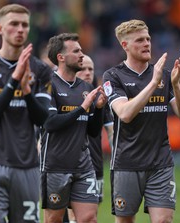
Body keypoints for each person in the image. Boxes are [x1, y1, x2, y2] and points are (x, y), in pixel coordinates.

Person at [102, 19, 180, 223]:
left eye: (148, 39)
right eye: (140, 40)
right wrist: (153, 83)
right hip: (126, 163)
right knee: (125, 221)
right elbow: (124, 114)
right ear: (125, 45)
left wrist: (176, 86)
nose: (147, 44)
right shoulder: (113, 76)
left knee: (163, 220)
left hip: (160, 162)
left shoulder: (164, 75)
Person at [0, 4, 52, 222]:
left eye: (24, 25)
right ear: (0, 29)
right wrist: (15, 79)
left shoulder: (41, 70)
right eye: (13, 24)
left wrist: (26, 91)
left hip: (27, 166)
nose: (20, 29)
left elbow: (43, 119)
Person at [40, 33, 107, 223]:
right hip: (56, 165)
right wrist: (83, 108)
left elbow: (93, 131)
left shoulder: (84, 87)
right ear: (61, 57)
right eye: (76, 51)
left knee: (89, 219)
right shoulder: (48, 84)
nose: (81, 55)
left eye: (81, 50)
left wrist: (99, 108)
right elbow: (51, 123)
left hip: (83, 165)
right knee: (54, 219)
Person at [62, 54, 113, 223]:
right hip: (66, 164)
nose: (87, 72)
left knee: (90, 217)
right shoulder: (64, 96)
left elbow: (111, 132)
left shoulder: (100, 101)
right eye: (83, 68)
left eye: (91, 69)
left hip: (95, 164)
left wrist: (118, 159)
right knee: (71, 216)